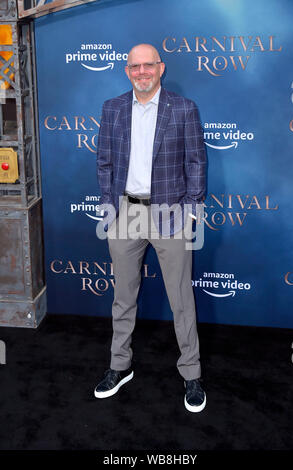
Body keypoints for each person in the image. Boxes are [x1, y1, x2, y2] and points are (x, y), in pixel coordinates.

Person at [95, 43, 207, 412]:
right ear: (127, 71)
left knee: (181, 300)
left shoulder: (185, 108)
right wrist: (110, 209)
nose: (141, 72)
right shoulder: (112, 108)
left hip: (170, 212)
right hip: (126, 211)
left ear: (161, 68)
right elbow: (105, 163)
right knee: (123, 297)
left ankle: (191, 372)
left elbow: (196, 162)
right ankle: (119, 365)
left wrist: (191, 209)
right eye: (134, 66)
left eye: (148, 65)